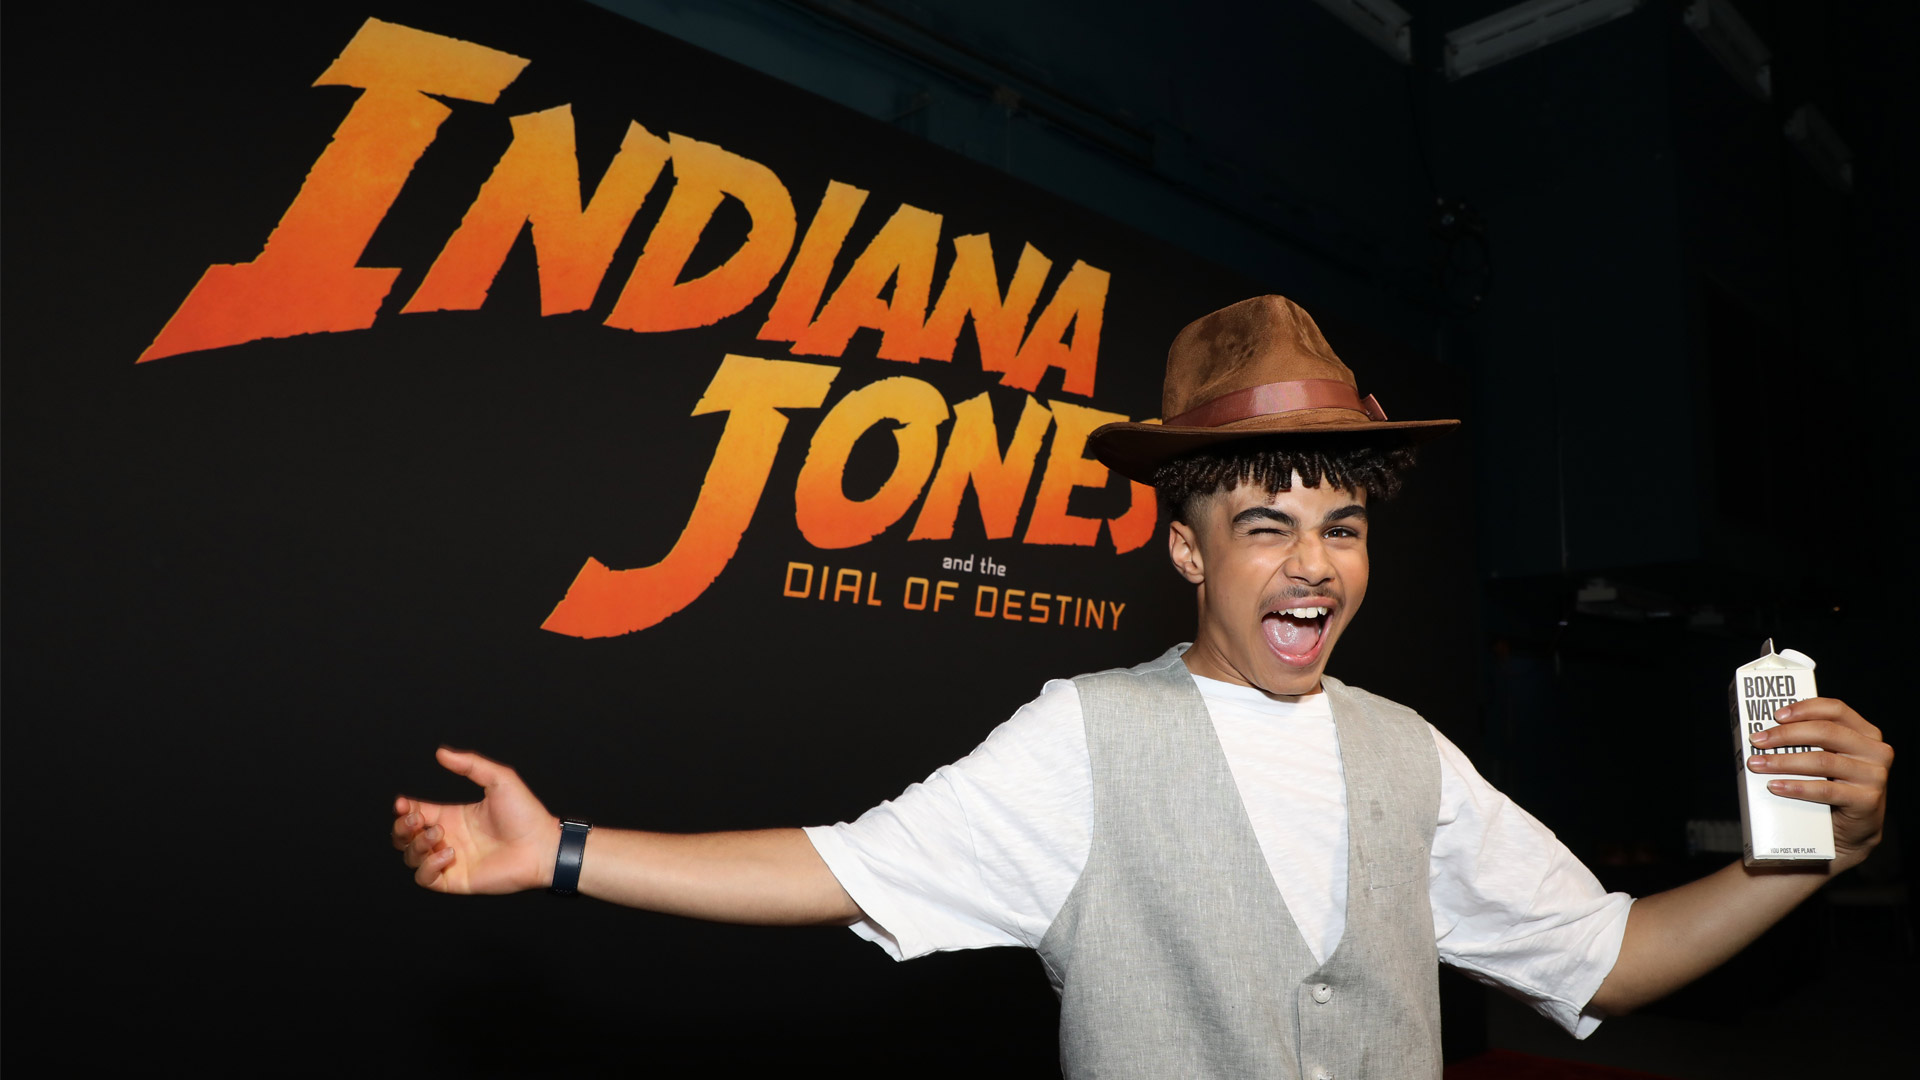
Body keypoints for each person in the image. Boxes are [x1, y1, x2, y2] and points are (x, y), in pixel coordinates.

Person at [391, 296, 1892, 1078]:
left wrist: (1818, 855)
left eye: (1341, 523)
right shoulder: (1087, 736)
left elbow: (1611, 961)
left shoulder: (1409, 753)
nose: (1312, 565)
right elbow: (834, 867)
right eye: (1263, 525)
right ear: (1186, 547)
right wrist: (566, 851)